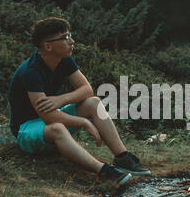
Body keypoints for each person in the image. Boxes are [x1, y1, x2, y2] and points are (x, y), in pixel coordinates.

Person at [8, 17, 150, 187]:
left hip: (48, 121)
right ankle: (103, 171)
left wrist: (62, 99)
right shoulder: (30, 71)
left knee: (93, 103)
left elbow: (86, 90)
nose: (71, 41)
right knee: (57, 128)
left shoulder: (64, 60)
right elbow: (48, 117)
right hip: (27, 128)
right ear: (48, 46)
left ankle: (122, 157)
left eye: (70, 36)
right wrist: (83, 122)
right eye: (65, 38)